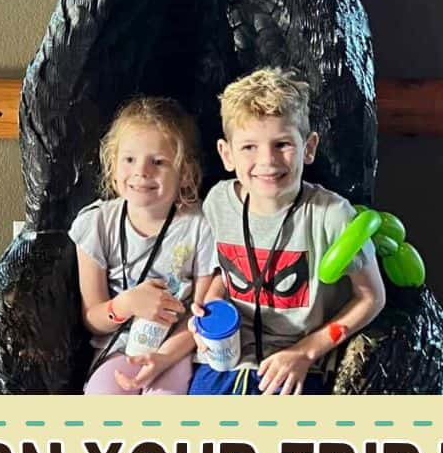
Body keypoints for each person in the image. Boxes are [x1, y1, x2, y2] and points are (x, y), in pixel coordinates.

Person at [191, 69, 386, 397]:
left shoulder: (332, 216)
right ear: (227, 154)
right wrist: (207, 310)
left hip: (297, 365)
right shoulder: (217, 203)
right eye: (249, 147)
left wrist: (307, 351)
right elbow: (226, 270)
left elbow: (372, 297)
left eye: (282, 144)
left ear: (308, 147)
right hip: (225, 360)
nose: (266, 160)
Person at [71, 97, 217, 396]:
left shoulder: (201, 225)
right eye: (129, 160)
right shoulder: (97, 224)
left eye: (159, 162)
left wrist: (164, 358)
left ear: (185, 172)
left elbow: (201, 312)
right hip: (117, 351)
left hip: (176, 351)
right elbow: (93, 319)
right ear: (113, 166)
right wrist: (125, 305)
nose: (142, 171)